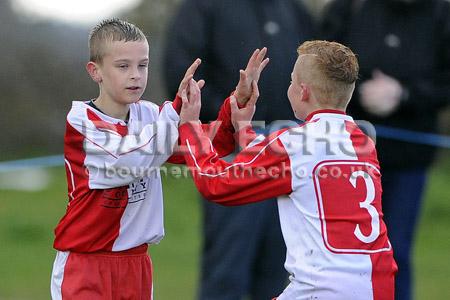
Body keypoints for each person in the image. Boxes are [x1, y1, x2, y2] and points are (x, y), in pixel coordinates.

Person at [50, 18, 268, 299]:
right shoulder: (82, 120)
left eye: (143, 65)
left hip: (136, 265)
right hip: (86, 265)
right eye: (123, 66)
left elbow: (206, 142)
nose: (136, 75)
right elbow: (129, 161)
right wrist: (177, 111)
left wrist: (235, 104)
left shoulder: (150, 115)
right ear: (95, 71)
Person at [178, 40, 398, 300]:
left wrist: (191, 128)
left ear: (303, 92)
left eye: (292, 81)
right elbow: (283, 167)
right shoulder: (362, 141)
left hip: (322, 289)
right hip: (378, 283)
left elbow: (216, 183)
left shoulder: (295, 144)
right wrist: (244, 129)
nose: (290, 87)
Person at [163, 1, 315, 298]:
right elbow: (181, 72)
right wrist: (231, 118)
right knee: (227, 268)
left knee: (279, 267)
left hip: (286, 151)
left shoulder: (293, 9)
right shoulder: (202, 7)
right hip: (230, 149)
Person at [320, 1, 450, 298]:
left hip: (408, 159)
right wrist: (355, 89)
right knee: (343, 251)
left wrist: (404, 94)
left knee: (394, 253)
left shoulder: (441, 14)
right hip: (345, 157)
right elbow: (321, 64)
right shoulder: (348, 7)